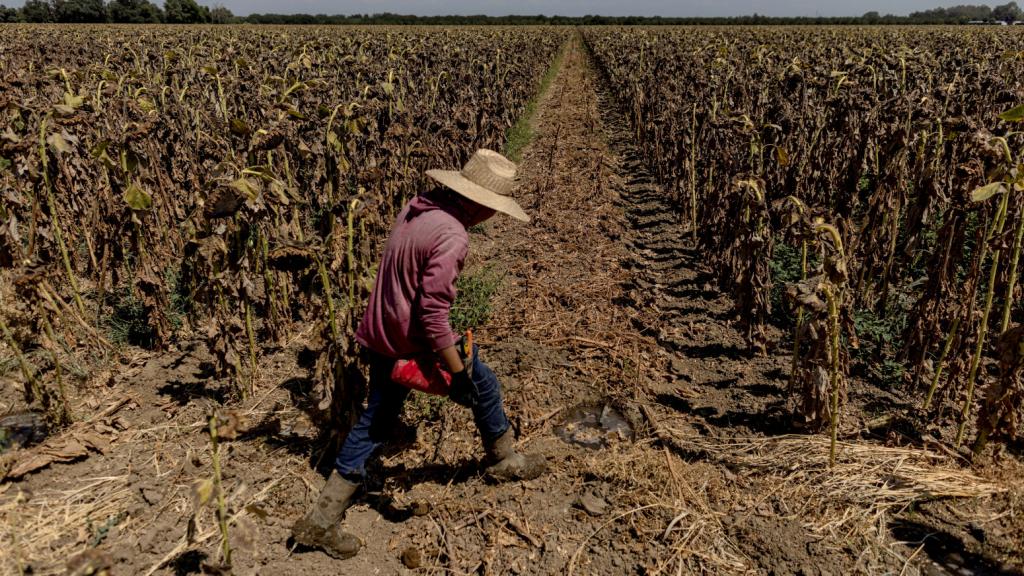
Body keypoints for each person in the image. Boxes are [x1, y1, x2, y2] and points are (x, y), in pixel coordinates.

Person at [291, 149, 547, 559]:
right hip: (408, 341)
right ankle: (503, 460)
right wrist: (456, 373)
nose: (494, 217)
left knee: (376, 420)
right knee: (480, 383)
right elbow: (432, 314)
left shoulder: (418, 207)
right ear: (481, 205)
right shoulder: (453, 236)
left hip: (381, 331)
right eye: (495, 209)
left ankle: (322, 518)